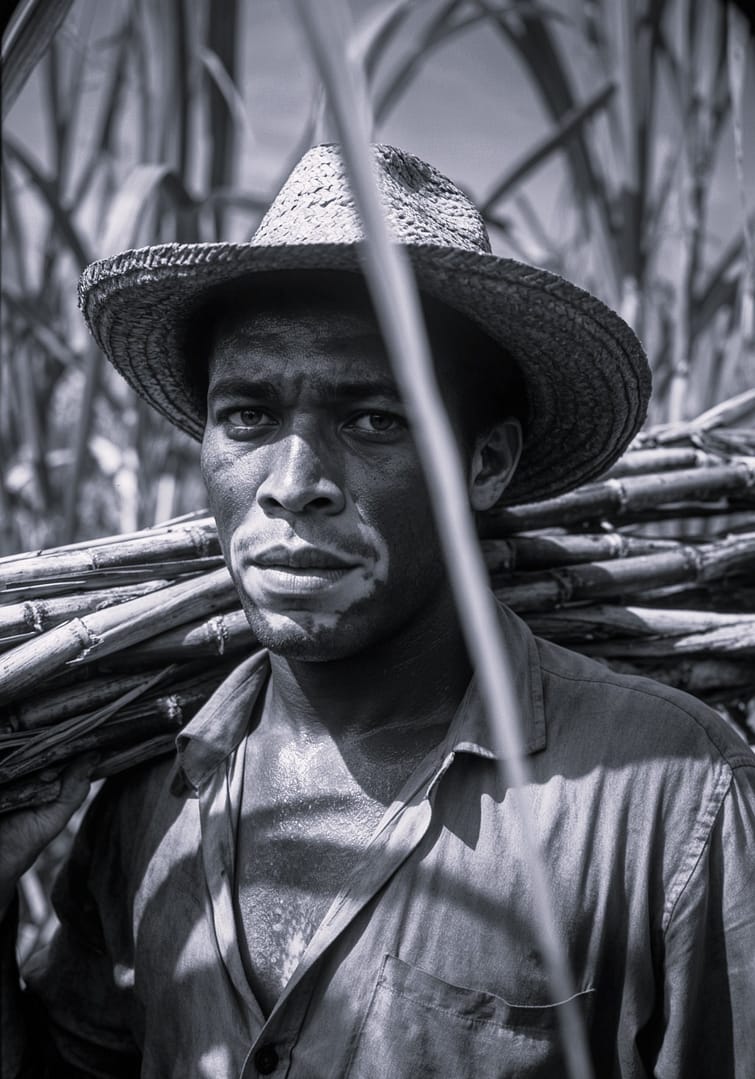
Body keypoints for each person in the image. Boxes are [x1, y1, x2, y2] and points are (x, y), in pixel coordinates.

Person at [1, 144, 753, 1079]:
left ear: (487, 463)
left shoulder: (667, 797)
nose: (293, 484)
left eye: (373, 420)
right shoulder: (145, 790)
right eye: (247, 416)